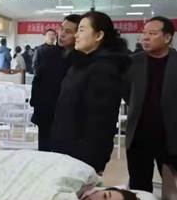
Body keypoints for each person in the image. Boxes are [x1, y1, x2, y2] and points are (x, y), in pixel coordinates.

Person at [50, 11, 130, 173]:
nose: (76, 35)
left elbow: (100, 122)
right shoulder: (79, 63)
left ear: (99, 35)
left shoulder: (103, 68)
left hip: (83, 155)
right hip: (65, 147)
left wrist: (91, 159)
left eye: (81, 30)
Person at [124, 17, 177, 192]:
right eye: (144, 33)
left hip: (171, 137)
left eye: (152, 33)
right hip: (139, 136)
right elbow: (126, 92)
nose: (145, 37)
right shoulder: (133, 62)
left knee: (173, 189)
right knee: (139, 188)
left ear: (167, 38)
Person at [30, 15, 81, 152]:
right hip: (46, 113)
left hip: (69, 118)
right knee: (45, 152)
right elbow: (38, 81)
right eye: (61, 29)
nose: (61, 34)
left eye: (68, 31)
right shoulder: (49, 54)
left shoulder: (81, 61)